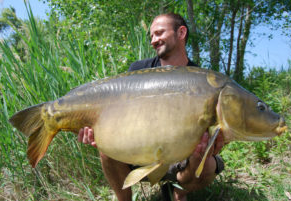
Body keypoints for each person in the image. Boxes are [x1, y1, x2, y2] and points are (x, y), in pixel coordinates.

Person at [78, 13, 225, 201]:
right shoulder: (138, 71)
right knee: (106, 150)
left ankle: (179, 191)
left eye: (159, 33)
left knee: (208, 164)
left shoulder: (201, 81)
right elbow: (117, 113)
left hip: (183, 157)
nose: (154, 41)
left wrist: (211, 144)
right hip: (141, 153)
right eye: (152, 36)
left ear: (181, 33)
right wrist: (98, 130)